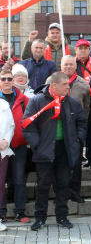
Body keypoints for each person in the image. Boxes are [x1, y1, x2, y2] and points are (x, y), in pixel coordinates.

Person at [22, 72, 87, 231]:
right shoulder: (37, 101)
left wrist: (77, 140)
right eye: (65, 84)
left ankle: (62, 217)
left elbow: (82, 123)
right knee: (43, 185)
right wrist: (38, 145)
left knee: (63, 184)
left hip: (65, 149)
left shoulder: (72, 102)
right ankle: (40, 218)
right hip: (44, 150)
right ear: (54, 85)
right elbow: (27, 126)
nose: (68, 86)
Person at [57, 56, 90, 203]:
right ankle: (60, 194)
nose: (68, 67)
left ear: (75, 66)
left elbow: (87, 108)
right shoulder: (51, 81)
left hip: (75, 129)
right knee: (59, 165)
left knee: (76, 164)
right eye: (66, 65)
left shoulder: (83, 84)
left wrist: (80, 134)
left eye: (71, 64)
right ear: (61, 66)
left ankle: (75, 192)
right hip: (57, 129)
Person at [0, 70, 29, 224]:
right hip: (1, 147)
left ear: (13, 81)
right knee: (0, 181)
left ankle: (20, 212)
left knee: (19, 180)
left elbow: (30, 121)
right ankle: (1, 212)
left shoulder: (24, 100)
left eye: (9, 79)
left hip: (18, 146)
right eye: (3, 78)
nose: (6, 81)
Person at [0, 97, 14, 232]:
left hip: (2, 151)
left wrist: (6, 140)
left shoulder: (4, 104)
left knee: (0, 186)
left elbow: (11, 125)